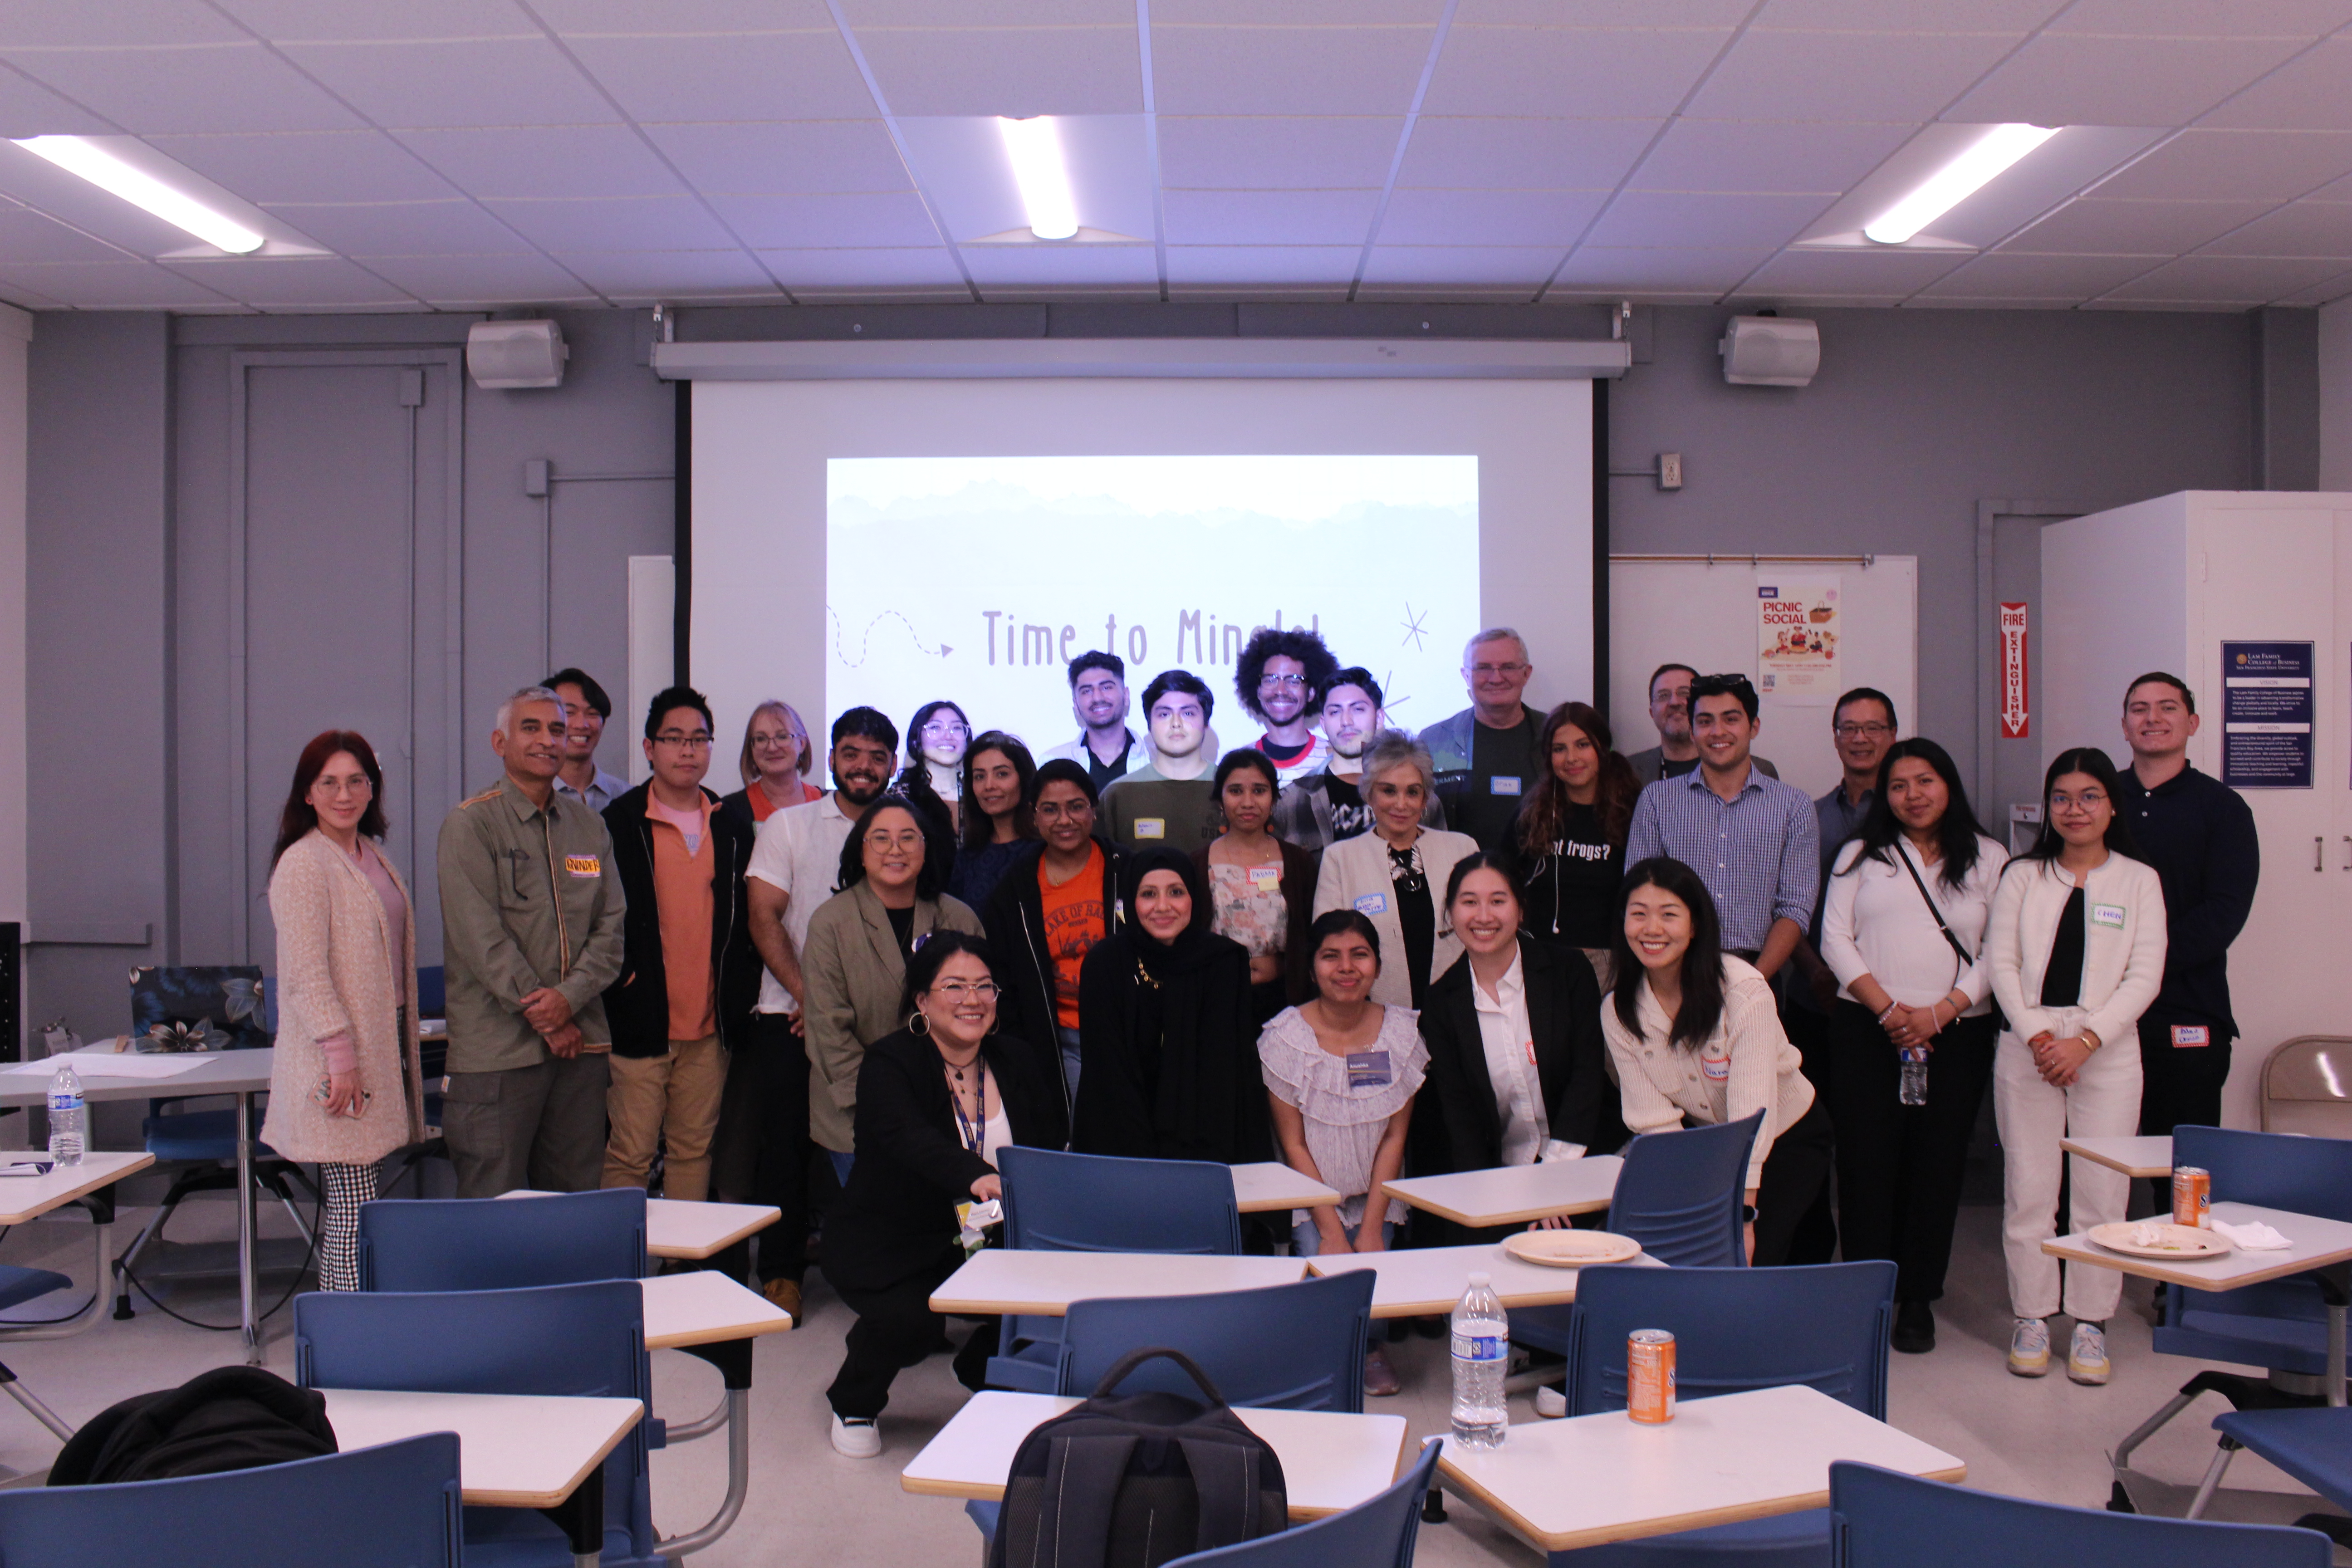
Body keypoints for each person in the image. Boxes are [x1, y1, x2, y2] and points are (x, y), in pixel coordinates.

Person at [820, 933, 1065, 1458]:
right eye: (954, 986)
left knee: (1052, 1298)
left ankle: (983, 1373)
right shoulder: (891, 1062)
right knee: (912, 1325)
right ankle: (853, 1399)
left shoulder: (1016, 1059)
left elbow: (1047, 1145)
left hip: (984, 1231)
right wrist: (976, 1175)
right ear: (922, 1001)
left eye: (983, 987)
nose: (972, 999)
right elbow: (911, 1139)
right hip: (890, 1238)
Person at [1820, 738, 2008, 1355]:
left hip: (1957, 1033)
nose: (1913, 796)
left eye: (1925, 781)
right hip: (1867, 1031)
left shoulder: (1989, 858)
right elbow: (1834, 940)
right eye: (1899, 786)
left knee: (1937, 1164)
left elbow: (2000, 955)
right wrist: (1892, 1011)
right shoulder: (1859, 856)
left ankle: (1919, 1299)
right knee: (1867, 1165)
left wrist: (1939, 1013)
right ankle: (1866, 1293)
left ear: (1948, 784)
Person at [1986, 748, 2166, 1386]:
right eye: (2061, 798)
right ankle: (2033, 1316)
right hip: (2029, 1045)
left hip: (2108, 1050)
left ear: (2111, 805)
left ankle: (2091, 1324)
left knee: (2101, 1194)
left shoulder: (2138, 880)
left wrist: (2086, 1041)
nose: (2075, 809)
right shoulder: (2022, 876)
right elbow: (1999, 964)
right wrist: (2041, 1037)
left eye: (2090, 796)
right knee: (2030, 1190)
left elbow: (2145, 974)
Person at [715, 706, 898, 1318]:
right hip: (786, 1014)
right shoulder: (789, 826)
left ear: (893, 764)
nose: (864, 766)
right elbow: (764, 916)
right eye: (852, 753)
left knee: (883, 1147)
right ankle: (782, 1272)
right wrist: (811, 998)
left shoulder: (906, 827)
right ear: (831, 758)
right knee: (786, 1147)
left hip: (883, 1022)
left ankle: (884, 1271)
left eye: (877, 756)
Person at [437, 686, 625, 1198]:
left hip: (579, 1049)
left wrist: (568, 1001)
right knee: (491, 1208)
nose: (548, 740)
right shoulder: (471, 825)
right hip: (499, 1055)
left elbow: (611, 928)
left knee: (573, 1204)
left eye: (558, 730)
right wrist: (544, 1015)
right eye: (532, 728)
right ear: (500, 742)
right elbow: (480, 938)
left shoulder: (588, 827)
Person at [1601, 856, 1832, 1267]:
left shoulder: (1744, 991)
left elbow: (1752, 1116)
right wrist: (1692, 1202)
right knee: (1697, 1255)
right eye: (1639, 915)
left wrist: (1742, 1215)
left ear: (1695, 925)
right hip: (1705, 1144)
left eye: (1669, 915)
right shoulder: (1618, 1011)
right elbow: (1655, 1123)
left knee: (1759, 1260)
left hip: (1784, 1137)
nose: (1652, 929)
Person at [262, 731, 427, 1291]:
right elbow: (306, 975)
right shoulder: (305, 863)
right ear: (307, 794)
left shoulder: (369, 854)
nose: (344, 793)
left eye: (357, 780)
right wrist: (341, 1057)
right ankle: (346, 1339)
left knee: (360, 1207)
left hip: (380, 1050)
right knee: (355, 1212)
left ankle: (355, 1332)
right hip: (338, 1062)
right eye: (329, 782)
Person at [599, 687, 759, 1204]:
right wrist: (623, 980)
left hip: (711, 1027)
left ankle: (682, 1271)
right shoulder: (620, 822)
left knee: (694, 1153)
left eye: (699, 739)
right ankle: (625, 1272)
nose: (687, 750)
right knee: (631, 1155)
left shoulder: (732, 824)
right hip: (641, 1019)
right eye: (674, 739)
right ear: (650, 748)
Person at [1257, 910, 1426, 1396]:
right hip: (1313, 1195)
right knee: (1325, 1270)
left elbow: (1396, 1137)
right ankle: (1322, 1350)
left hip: (1379, 1189)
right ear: (1312, 968)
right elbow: (1293, 1143)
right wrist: (1331, 1230)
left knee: (1372, 1273)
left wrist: (1372, 1226)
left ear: (1376, 964)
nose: (1346, 967)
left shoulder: (1401, 1032)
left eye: (1360, 955)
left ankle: (1371, 1349)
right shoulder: (1285, 1038)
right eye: (1331, 957)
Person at [802, 796, 985, 1197]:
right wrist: (887, 1106)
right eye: (880, 839)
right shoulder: (831, 922)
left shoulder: (958, 917)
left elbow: (981, 1010)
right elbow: (827, 1030)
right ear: (860, 850)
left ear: (927, 848)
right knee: (883, 1231)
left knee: (951, 1234)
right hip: (857, 1112)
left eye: (908, 838)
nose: (895, 850)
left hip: (951, 1107)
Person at [1415, 857, 1623, 1205]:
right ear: (1450, 913)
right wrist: (1484, 1201)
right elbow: (1460, 1114)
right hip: (1505, 1177)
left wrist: (1553, 1180)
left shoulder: (1569, 972)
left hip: (1588, 1162)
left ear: (1521, 909)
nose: (1484, 916)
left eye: (1498, 901)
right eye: (1469, 902)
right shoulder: (1441, 1003)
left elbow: (1586, 1077)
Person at [2111, 673, 2258, 1153]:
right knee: (2091, 1161)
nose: (2152, 718)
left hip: (2186, 1010)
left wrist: (2142, 964)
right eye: (2139, 709)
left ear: (2192, 722)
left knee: (2180, 1168)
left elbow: (2223, 912)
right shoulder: (2095, 802)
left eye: (2167, 707)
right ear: (2125, 725)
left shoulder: (2223, 809)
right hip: (2098, 1012)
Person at [1072, 849, 1269, 1166]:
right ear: (1130, 903)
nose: (1163, 907)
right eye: (1148, 894)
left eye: (1176, 893)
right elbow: (1108, 1075)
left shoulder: (1224, 962)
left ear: (1195, 897)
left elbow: (1222, 1074)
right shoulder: (1106, 963)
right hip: (1121, 1145)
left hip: (1204, 1147)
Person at [1624, 673, 1817, 981]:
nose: (1718, 732)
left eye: (1731, 719)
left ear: (1754, 726)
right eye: (1704, 721)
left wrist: (1754, 982)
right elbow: (1640, 894)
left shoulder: (1793, 806)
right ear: (1692, 728)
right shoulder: (1657, 800)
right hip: (1673, 973)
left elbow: (1794, 908)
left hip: (1759, 972)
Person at [984, 760, 1120, 1118]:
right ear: (1034, 816)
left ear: (1093, 810)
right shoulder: (1015, 887)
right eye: (1051, 810)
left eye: (1076, 807)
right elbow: (1002, 973)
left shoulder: (1126, 870)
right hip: (1060, 1042)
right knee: (1078, 1139)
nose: (1064, 820)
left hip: (1127, 1034)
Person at [1312, 732, 1480, 1012]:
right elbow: (1329, 947)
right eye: (1389, 791)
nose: (1401, 804)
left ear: (1425, 798)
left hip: (1459, 1009)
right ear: (1369, 794)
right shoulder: (1340, 859)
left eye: (1413, 792)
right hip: (1375, 1012)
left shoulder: (1463, 849)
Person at [1787, 688, 1900, 1050]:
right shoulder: (1808, 815)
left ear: (1893, 735)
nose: (1860, 739)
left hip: (1898, 1001)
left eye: (1872, 728)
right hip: (1814, 997)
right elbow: (1786, 903)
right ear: (1835, 738)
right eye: (1848, 729)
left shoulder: (1912, 816)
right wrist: (1816, 973)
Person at [1503, 701, 1639, 987]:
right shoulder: (1533, 812)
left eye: (1582, 745)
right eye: (1559, 749)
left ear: (1602, 749)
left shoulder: (1633, 812)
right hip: (1540, 958)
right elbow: (1502, 875)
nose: (1571, 758)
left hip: (1611, 963)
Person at [1196, 749, 1319, 1023]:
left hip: (1284, 1000)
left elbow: (1310, 936)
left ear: (1274, 799)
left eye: (1260, 791)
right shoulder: (1196, 863)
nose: (1248, 802)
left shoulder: (1299, 862)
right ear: (1220, 800)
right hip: (1215, 999)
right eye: (1236, 791)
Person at [1271, 667, 1443, 853]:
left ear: (1379, 718)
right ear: (1323, 724)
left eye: (1358, 709)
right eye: (1335, 712)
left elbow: (1441, 866)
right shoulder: (1291, 801)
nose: (1347, 721)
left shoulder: (1419, 797)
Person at [1420, 628, 1542, 854]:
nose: (1496, 678)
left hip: (1540, 882)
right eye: (1483, 668)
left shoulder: (1555, 736)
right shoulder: (1434, 742)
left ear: (1526, 674)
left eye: (1508, 667)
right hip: (1456, 881)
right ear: (1466, 675)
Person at [1100, 669, 1220, 853]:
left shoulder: (1232, 789)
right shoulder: (1117, 795)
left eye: (1188, 713)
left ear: (1206, 722)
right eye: (1164, 714)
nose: (1176, 723)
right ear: (1149, 724)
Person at [1626, 663, 1779, 785]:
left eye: (1685, 693)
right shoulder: (1626, 770)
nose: (1674, 702)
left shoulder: (1762, 770)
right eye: (1663, 695)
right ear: (1652, 712)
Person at [946, 730, 1037, 914]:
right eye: (979, 776)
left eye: (1002, 774)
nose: (989, 786)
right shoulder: (968, 857)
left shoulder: (1045, 849)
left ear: (1024, 779)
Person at [1234, 625, 1338, 783]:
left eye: (1294, 681)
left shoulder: (1334, 760)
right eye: (1270, 680)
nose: (1281, 691)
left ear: (1311, 692)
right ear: (1258, 691)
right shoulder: (1238, 764)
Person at [717, 698, 821, 834]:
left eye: (783, 737)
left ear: (802, 744)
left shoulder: (826, 803)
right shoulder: (730, 810)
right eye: (761, 739)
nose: (772, 748)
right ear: (752, 748)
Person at [1044, 650, 1142, 793]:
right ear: (1076, 704)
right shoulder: (1052, 762)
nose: (1097, 698)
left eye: (1107, 687)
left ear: (1126, 696)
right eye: (1087, 691)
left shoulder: (1154, 760)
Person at [546, 666, 628, 812]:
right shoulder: (530, 798)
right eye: (569, 713)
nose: (582, 725)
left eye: (593, 713)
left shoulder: (627, 797)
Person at [896, 699, 971, 837]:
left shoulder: (979, 793)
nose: (948, 736)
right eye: (935, 728)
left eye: (957, 728)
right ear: (916, 740)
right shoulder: (901, 797)